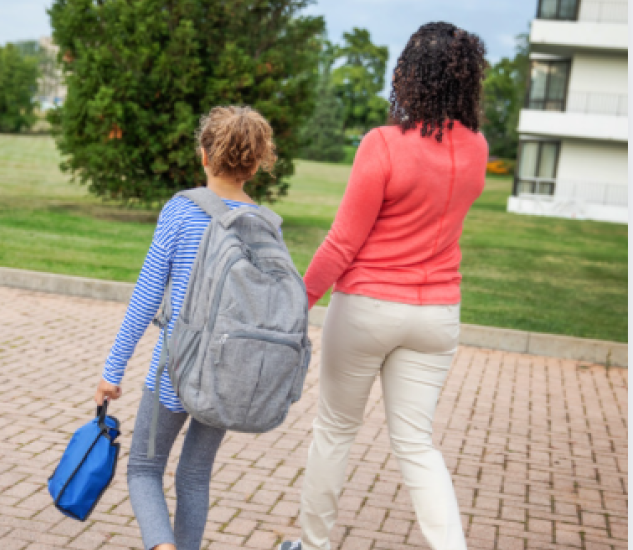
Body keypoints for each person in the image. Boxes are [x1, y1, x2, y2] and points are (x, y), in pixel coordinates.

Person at [279, 22, 488, 550]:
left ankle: (313, 544)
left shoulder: (383, 144)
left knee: (335, 431)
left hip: (368, 307)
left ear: (410, 76)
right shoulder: (478, 149)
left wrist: (299, 299)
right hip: (437, 314)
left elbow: (342, 242)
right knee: (418, 444)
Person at [94, 105, 277, 550]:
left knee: (143, 471)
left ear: (204, 156)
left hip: (173, 369)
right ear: (255, 164)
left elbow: (145, 298)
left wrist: (112, 370)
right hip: (229, 376)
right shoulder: (267, 225)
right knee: (194, 478)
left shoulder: (181, 211)